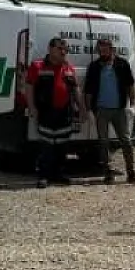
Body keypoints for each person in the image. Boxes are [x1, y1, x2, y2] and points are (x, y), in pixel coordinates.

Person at [25, 38, 85, 188]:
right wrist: (32, 107)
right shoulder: (38, 66)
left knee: (62, 146)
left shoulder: (68, 68)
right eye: (60, 49)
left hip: (64, 113)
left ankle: (59, 174)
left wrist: (82, 109)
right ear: (50, 49)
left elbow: (76, 90)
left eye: (65, 49)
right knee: (47, 146)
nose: (63, 52)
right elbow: (29, 87)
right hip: (46, 112)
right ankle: (44, 176)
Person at [83, 37, 135, 185]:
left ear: (111, 49)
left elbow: (130, 86)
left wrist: (133, 105)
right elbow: (88, 90)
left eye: (105, 50)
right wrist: (89, 110)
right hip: (101, 110)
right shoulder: (94, 67)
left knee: (126, 141)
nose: (102, 53)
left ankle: (131, 172)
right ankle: (107, 172)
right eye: (100, 50)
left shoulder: (122, 64)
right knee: (103, 142)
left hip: (119, 110)